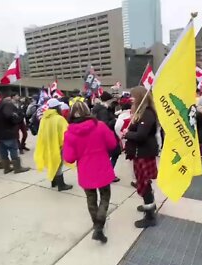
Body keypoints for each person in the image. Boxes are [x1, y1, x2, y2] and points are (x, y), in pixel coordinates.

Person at [63, 101, 117, 243]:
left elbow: (69, 158)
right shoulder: (100, 126)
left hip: (85, 171)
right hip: (102, 168)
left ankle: (97, 226)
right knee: (105, 196)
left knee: (91, 199)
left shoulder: (69, 133)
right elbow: (112, 144)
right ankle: (99, 225)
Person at [123, 86, 158, 228]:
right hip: (139, 153)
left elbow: (141, 135)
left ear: (140, 97)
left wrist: (127, 133)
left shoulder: (148, 113)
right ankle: (149, 205)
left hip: (144, 153)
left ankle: (150, 217)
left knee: (144, 184)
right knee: (143, 183)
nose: (131, 98)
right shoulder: (141, 112)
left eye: (133, 96)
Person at [0, 93, 30, 174]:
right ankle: (17, 168)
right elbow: (10, 116)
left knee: (3, 152)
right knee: (13, 150)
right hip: (8, 133)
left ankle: (7, 168)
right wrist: (17, 120)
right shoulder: (6, 105)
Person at [34, 98, 73, 192]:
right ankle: (61, 185)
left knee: (52, 161)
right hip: (58, 145)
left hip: (48, 144)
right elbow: (66, 133)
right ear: (57, 107)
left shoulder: (44, 118)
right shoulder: (59, 118)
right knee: (58, 163)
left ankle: (53, 181)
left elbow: (41, 132)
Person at [92, 92, 121, 183]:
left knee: (106, 156)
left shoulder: (97, 109)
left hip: (99, 136)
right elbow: (105, 124)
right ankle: (108, 174)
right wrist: (114, 120)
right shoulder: (103, 110)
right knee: (115, 154)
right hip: (108, 136)